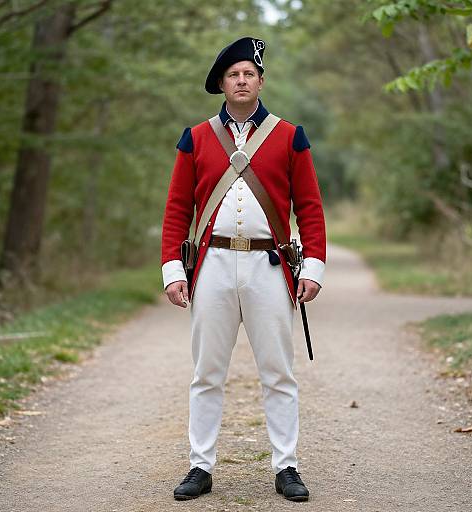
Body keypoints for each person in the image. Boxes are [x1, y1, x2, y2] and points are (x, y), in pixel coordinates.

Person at [161, 36, 326, 502]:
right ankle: (200, 466)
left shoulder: (290, 135)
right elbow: (177, 209)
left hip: (269, 267)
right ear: (221, 83)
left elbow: (310, 208)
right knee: (206, 372)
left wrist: (312, 265)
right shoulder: (195, 138)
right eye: (233, 74)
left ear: (260, 80)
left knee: (278, 372)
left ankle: (286, 466)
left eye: (248, 73)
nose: (241, 80)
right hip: (211, 264)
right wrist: (174, 269)